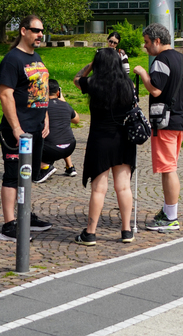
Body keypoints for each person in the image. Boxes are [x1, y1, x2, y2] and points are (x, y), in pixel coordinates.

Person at [134, 23, 183, 233]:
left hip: (165, 122)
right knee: (170, 166)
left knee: (169, 169)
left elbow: (155, 90)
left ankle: (171, 217)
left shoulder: (161, 60)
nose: (145, 46)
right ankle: (167, 210)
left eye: (146, 42)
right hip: (182, 121)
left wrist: (143, 73)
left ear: (157, 41)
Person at [73, 47, 137, 245]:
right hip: (123, 139)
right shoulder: (128, 84)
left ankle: (90, 233)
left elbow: (77, 79)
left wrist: (92, 65)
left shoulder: (93, 83)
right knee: (123, 187)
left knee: (99, 189)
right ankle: (126, 231)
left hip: (100, 139)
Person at [0, 14, 52, 241]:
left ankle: (25, 214)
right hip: (17, 131)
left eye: (42, 31)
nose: (40, 34)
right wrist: (17, 128)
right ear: (23, 31)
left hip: (36, 128)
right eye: (36, 30)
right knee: (12, 177)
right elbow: (5, 95)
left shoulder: (36, 57)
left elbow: (42, 89)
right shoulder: (12, 59)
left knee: (29, 175)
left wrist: (45, 116)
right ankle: (9, 226)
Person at [36, 79, 80, 182]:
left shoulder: (42, 107)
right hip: (70, 147)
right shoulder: (66, 105)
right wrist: (63, 100)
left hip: (52, 149)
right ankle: (70, 166)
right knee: (62, 132)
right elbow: (76, 120)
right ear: (58, 92)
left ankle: (45, 166)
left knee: (28, 143)